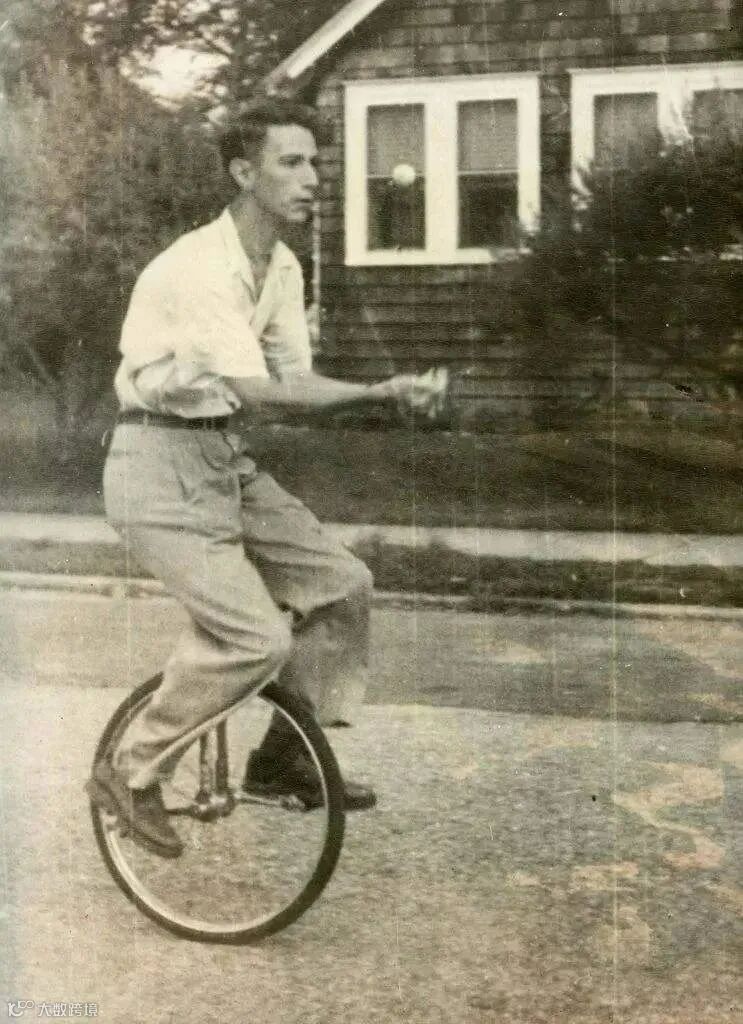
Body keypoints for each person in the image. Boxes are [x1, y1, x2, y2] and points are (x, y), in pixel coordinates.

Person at [86, 98, 444, 858]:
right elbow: (259, 393)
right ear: (244, 173)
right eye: (292, 162)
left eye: (316, 162)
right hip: (155, 469)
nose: (313, 178)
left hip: (219, 459)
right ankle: (132, 767)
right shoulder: (198, 268)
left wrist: (379, 393)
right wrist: (379, 391)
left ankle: (283, 757)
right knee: (254, 638)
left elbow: (292, 378)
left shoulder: (280, 266)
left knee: (341, 586)